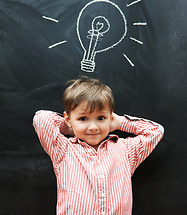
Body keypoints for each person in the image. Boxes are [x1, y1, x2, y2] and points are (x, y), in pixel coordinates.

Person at [33, 76, 164, 215]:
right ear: (68, 119)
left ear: (110, 117)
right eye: (83, 119)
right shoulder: (63, 149)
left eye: (101, 118)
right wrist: (71, 127)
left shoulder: (125, 150)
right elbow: (41, 119)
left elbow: (156, 131)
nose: (93, 127)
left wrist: (119, 122)